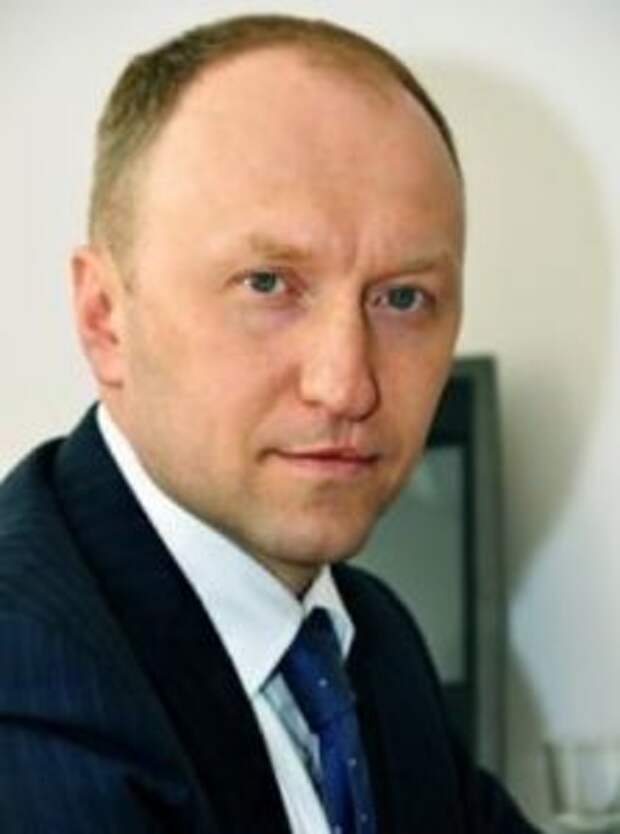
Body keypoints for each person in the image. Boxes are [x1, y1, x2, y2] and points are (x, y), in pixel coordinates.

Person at [0, 14, 540, 834]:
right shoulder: (25, 684)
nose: (346, 386)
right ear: (105, 317)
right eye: (267, 284)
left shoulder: (368, 641)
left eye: (403, 298)